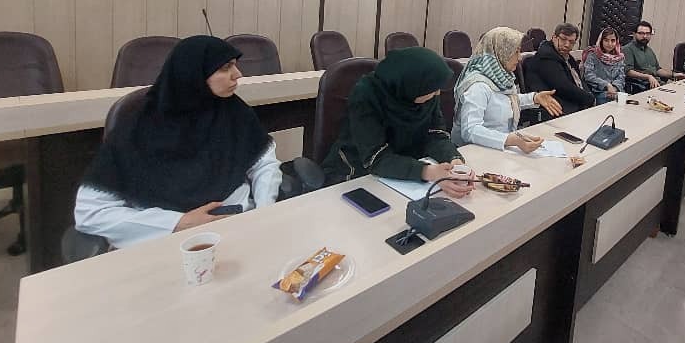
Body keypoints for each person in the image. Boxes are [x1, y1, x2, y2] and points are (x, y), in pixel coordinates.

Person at [75, 36, 282, 249]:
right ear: (193, 74)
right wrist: (177, 223)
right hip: (164, 244)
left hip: (239, 232)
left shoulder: (233, 111)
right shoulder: (137, 126)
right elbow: (90, 213)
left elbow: (264, 164)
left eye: (235, 65)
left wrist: (262, 214)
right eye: (225, 68)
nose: (238, 74)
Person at [321, 47, 474, 198]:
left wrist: (453, 159)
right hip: (359, 173)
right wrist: (428, 172)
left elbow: (435, 135)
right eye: (433, 89)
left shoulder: (423, 92)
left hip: (405, 171)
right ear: (412, 84)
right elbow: (376, 158)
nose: (437, 93)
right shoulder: (366, 95)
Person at [452, 27, 562, 151]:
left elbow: (504, 101)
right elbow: (470, 130)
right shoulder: (478, 86)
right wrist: (509, 139)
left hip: (499, 149)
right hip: (476, 152)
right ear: (500, 53)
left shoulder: (501, 77)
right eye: (516, 52)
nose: (520, 58)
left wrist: (534, 98)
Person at [527, 23, 595, 116]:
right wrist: (590, 99)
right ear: (554, 37)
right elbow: (563, 87)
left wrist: (590, 95)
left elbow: (579, 80)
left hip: (572, 103)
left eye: (571, 42)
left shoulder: (568, 58)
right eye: (563, 39)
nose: (567, 45)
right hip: (557, 108)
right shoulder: (546, 57)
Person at [621, 21, 685, 92]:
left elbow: (657, 69)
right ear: (634, 34)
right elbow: (628, 71)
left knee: (680, 91)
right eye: (641, 33)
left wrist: (673, 75)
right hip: (641, 85)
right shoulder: (627, 49)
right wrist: (648, 77)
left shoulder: (649, 50)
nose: (645, 36)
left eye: (648, 33)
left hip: (656, 83)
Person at [582, 27, 627, 103]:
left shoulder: (619, 57)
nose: (610, 44)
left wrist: (614, 88)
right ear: (601, 41)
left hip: (616, 91)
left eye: (613, 40)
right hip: (597, 91)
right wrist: (607, 85)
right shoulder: (592, 54)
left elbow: (621, 76)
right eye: (606, 40)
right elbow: (588, 75)